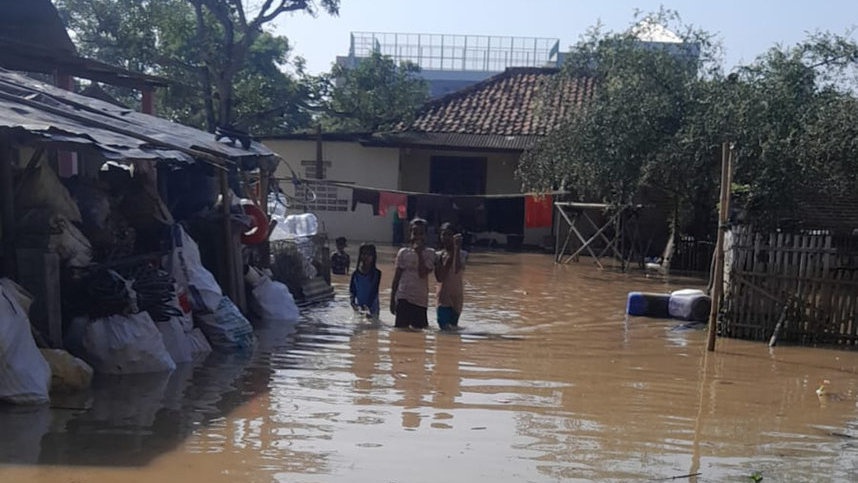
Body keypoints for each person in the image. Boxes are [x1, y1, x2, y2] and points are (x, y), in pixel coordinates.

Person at [390, 218, 435, 329]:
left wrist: (419, 254)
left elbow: (422, 274)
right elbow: (397, 277)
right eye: (415, 233)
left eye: (421, 233)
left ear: (425, 235)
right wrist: (392, 299)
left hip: (420, 300)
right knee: (400, 331)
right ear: (410, 234)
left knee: (420, 333)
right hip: (403, 297)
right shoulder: (403, 252)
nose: (418, 236)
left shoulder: (430, 253)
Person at [435, 222, 467, 330]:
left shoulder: (463, 254)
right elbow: (440, 277)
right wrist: (451, 253)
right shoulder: (438, 255)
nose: (446, 238)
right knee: (443, 328)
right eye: (444, 234)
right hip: (443, 296)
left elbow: (457, 269)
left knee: (453, 329)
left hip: (457, 296)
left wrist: (456, 249)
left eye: (449, 235)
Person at [349, 243, 381, 319]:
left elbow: (374, 292)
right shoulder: (355, 274)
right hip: (359, 309)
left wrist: (367, 308)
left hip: (372, 309)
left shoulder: (377, 274)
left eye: (369, 254)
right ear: (360, 256)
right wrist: (353, 303)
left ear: (373, 257)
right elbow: (352, 291)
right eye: (363, 254)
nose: (366, 257)